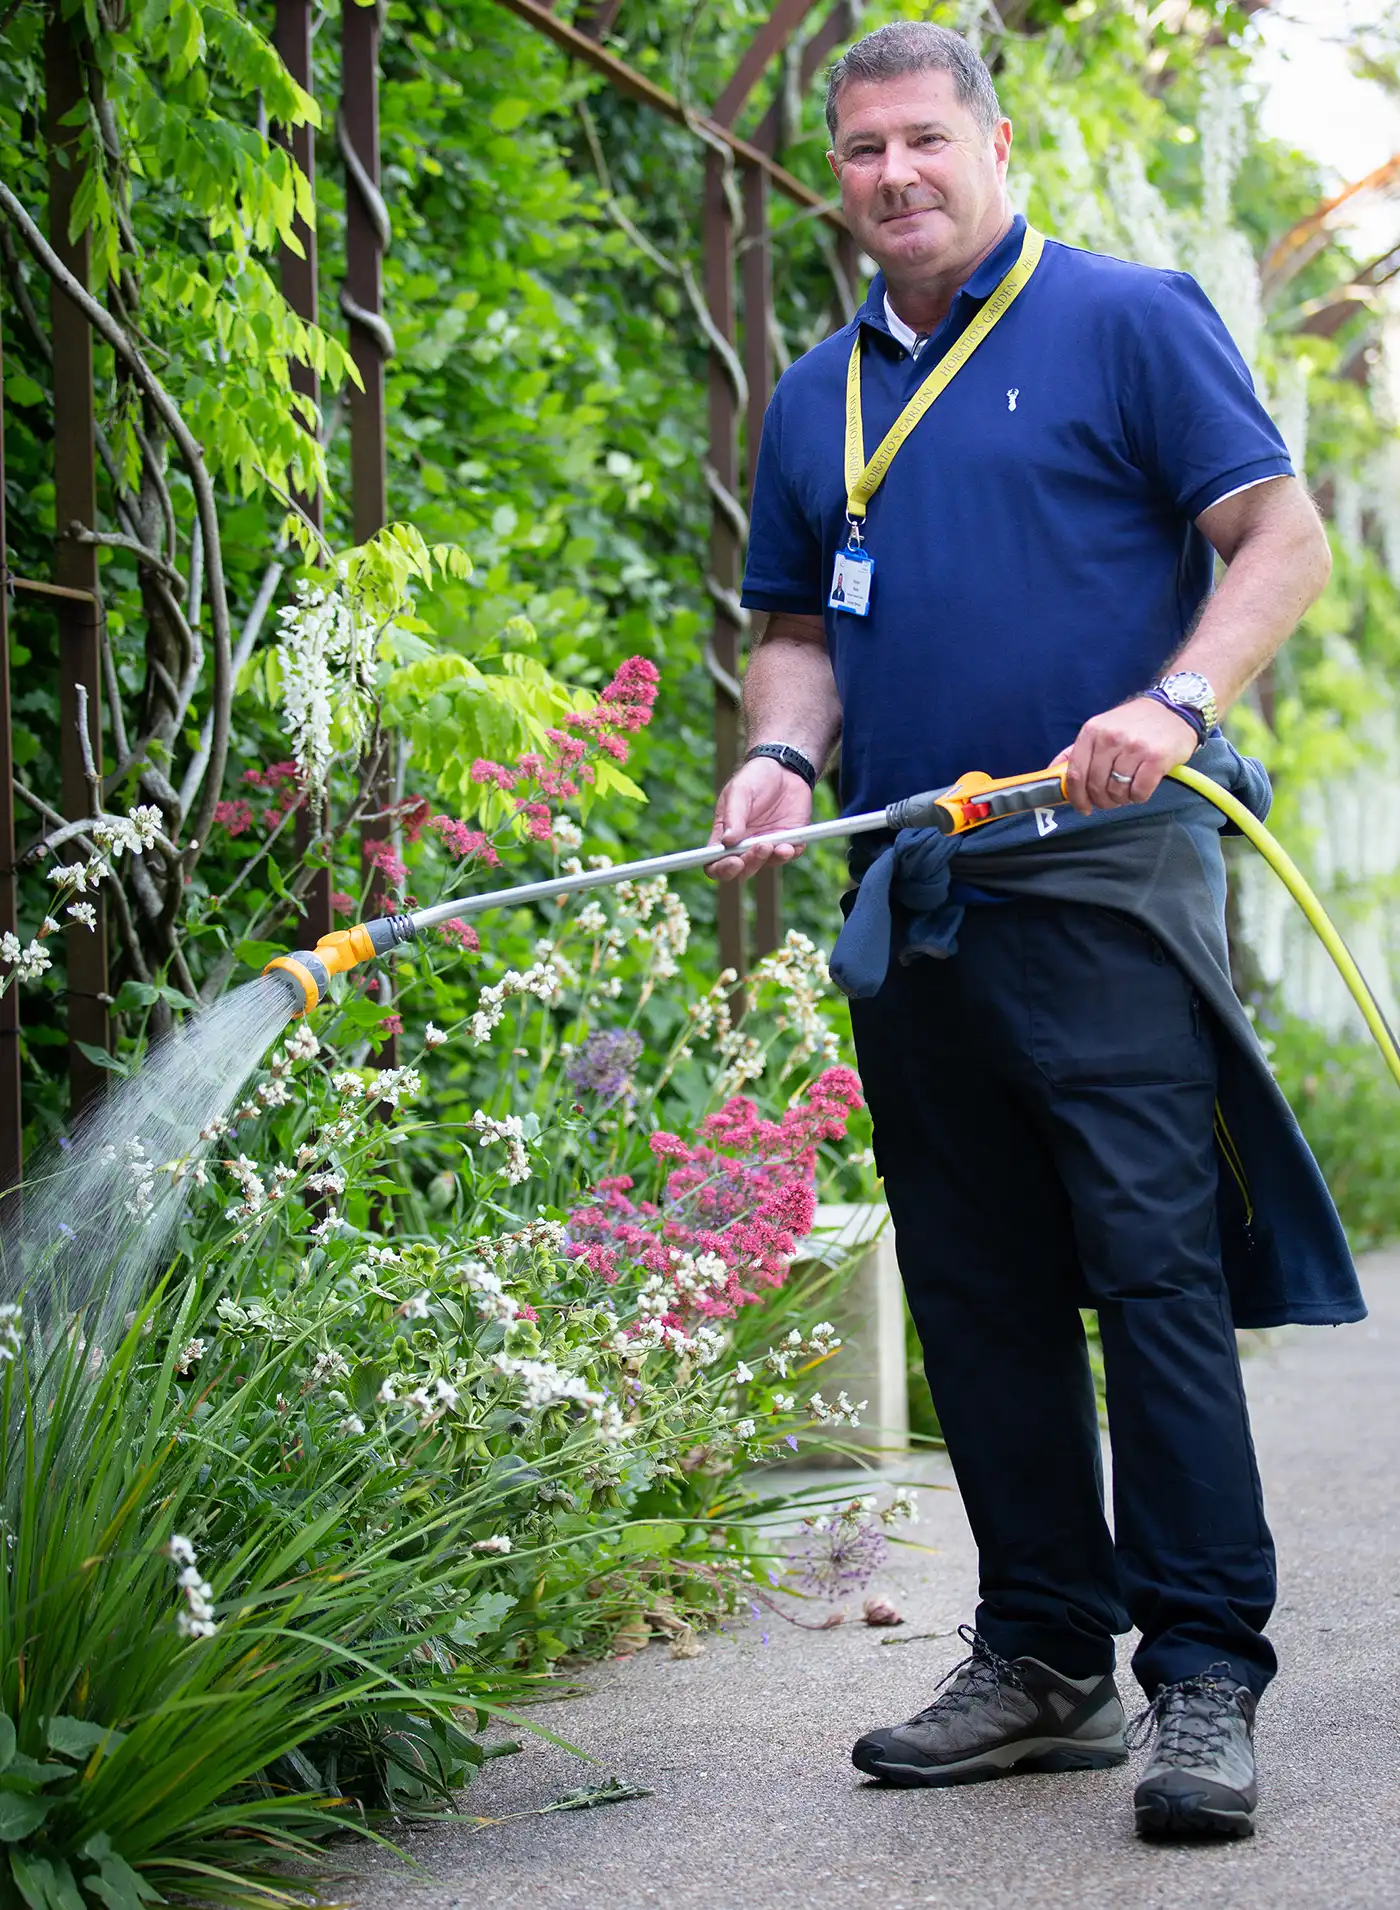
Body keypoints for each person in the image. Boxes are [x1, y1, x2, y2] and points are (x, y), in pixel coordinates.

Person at [708, 20, 1362, 1844]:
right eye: (861, 153)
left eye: (925, 140)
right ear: (832, 174)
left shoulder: (1130, 317)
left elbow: (1281, 539)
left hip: (1105, 866)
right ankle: (1046, 1653)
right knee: (979, 1276)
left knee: (1148, 1272)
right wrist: (775, 755)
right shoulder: (811, 390)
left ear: (995, 144)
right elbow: (798, 630)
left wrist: (1171, 700)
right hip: (914, 891)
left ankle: (1208, 1669)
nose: (895, 176)